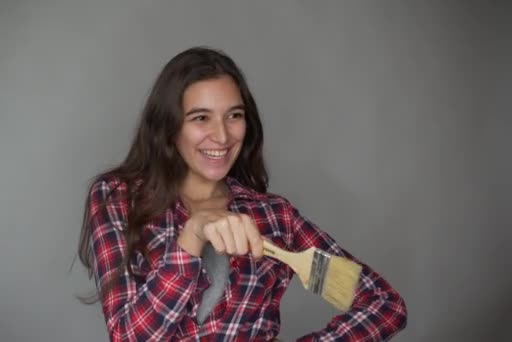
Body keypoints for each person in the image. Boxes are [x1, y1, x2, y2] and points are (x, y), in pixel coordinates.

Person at [77, 47, 407, 341]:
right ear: (169, 126)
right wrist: (192, 236)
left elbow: (383, 304)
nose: (221, 136)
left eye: (234, 116)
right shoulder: (117, 197)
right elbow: (128, 337)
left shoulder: (275, 218)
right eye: (201, 118)